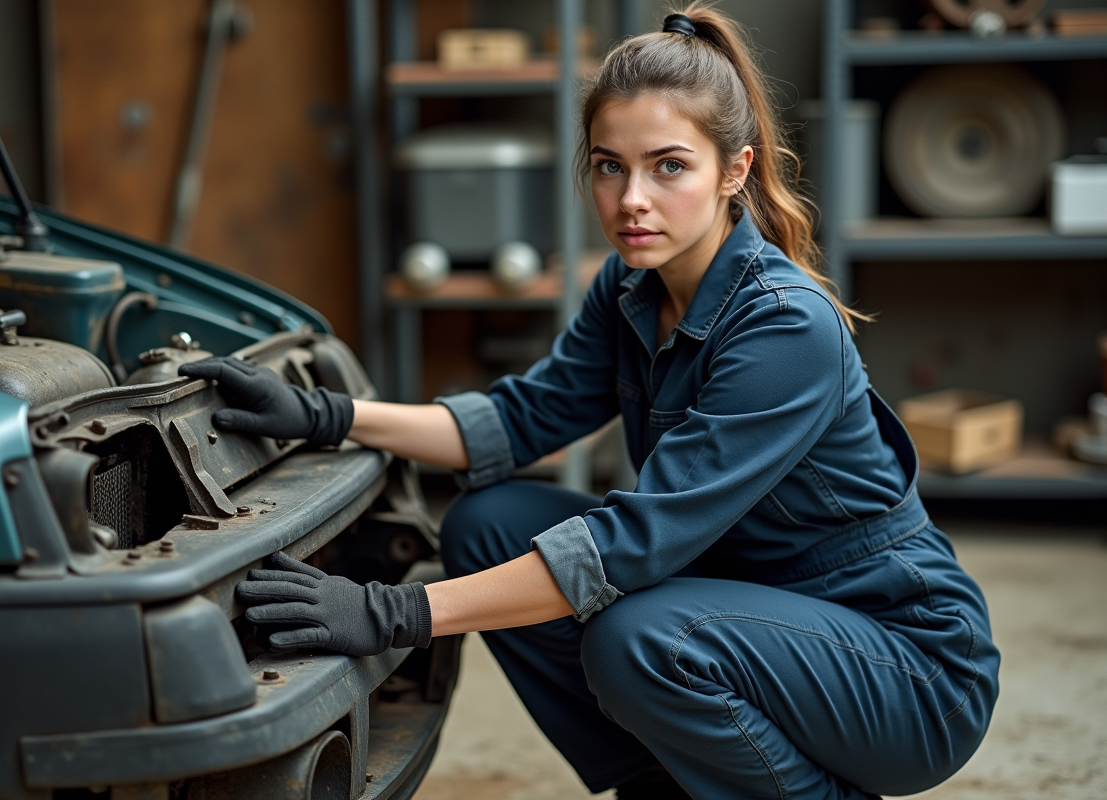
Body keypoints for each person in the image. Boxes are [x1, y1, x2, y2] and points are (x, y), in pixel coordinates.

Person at [179, 5, 1000, 798]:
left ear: (734, 171)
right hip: (757, 613)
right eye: (611, 165)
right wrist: (326, 415)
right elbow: (523, 418)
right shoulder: (634, 285)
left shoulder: (786, 328)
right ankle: (666, 782)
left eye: (668, 166)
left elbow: (637, 540)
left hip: (906, 668)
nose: (632, 198)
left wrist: (395, 612)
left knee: (639, 639)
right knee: (486, 525)